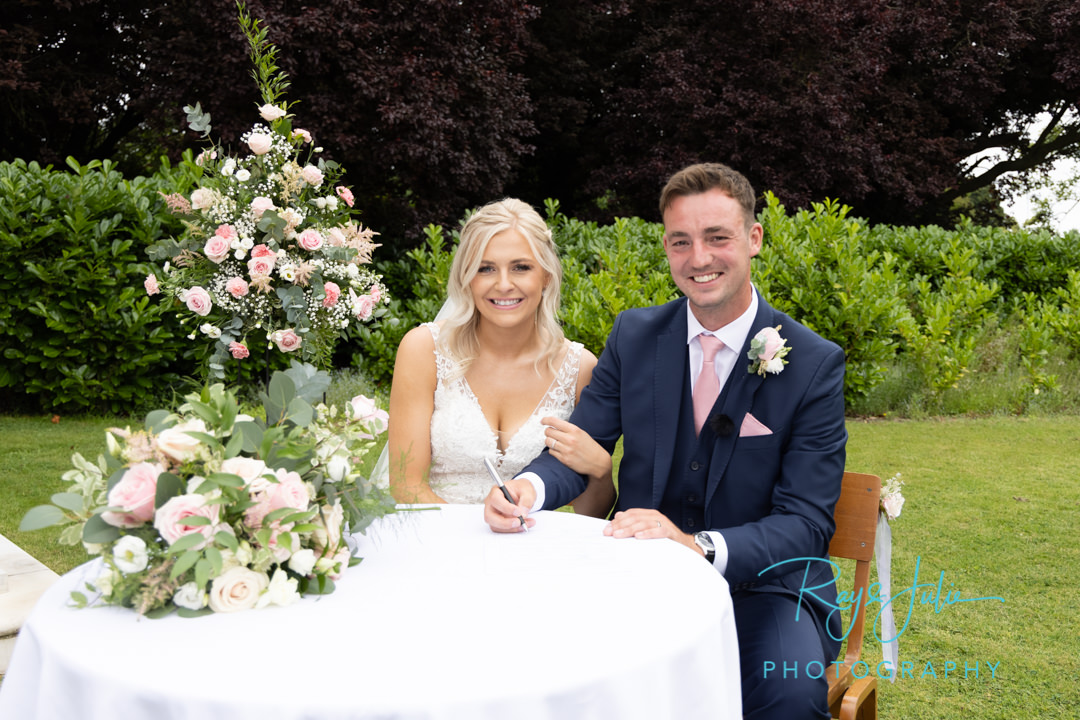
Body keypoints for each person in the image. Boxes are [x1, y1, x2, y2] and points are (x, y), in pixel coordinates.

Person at [483, 163, 847, 719]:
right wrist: (526, 490)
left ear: (754, 239)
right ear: (667, 248)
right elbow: (579, 444)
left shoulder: (813, 363)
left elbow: (806, 522)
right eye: (682, 242)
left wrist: (697, 545)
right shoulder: (636, 335)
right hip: (637, 580)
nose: (699, 258)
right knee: (547, 667)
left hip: (770, 593)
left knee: (788, 698)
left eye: (717, 237)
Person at [386, 198, 615, 518]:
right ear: (467, 276)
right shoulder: (423, 350)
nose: (504, 284)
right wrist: (475, 539)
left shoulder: (580, 368)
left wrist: (602, 472)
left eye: (521, 267)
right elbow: (406, 486)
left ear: (546, 275)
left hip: (535, 549)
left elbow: (590, 516)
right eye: (486, 268)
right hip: (442, 542)